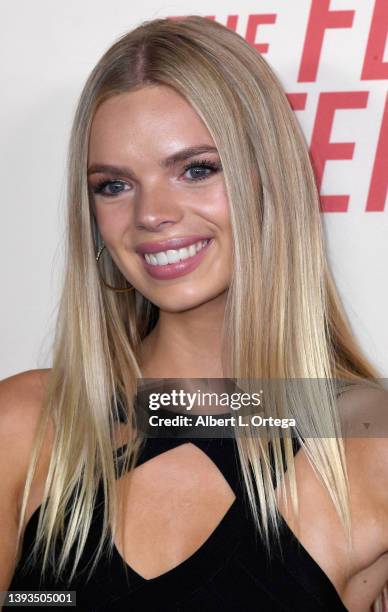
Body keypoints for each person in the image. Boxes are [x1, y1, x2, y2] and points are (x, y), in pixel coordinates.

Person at [1, 14, 387, 611]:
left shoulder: (368, 446)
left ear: (269, 181)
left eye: (196, 169)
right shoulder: (25, 427)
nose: (152, 212)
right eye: (113, 185)